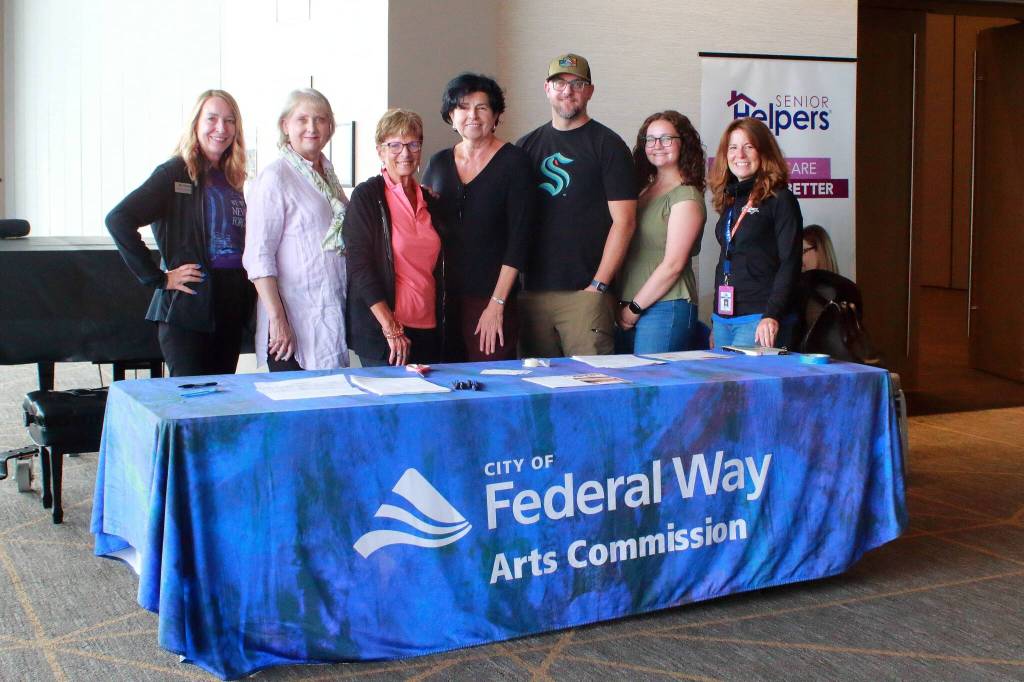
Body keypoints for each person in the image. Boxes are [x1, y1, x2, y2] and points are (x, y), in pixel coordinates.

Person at [106, 89, 253, 377]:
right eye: (212, 119)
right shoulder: (174, 172)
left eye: (229, 120)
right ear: (196, 124)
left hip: (229, 308)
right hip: (188, 309)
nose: (221, 128)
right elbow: (119, 219)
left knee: (220, 404)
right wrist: (159, 278)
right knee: (192, 405)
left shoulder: (233, 177)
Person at [516, 53, 637, 357]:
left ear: (590, 91)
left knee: (592, 391)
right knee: (539, 394)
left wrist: (598, 286)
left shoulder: (608, 145)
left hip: (585, 295)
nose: (567, 91)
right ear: (547, 88)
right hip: (531, 295)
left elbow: (625, 222)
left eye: (577, 83)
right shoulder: (525, 146)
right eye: (559, 83)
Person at [422, 73, 534, 362]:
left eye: (482, 107)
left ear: (496, 115)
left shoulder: (515, 162)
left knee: (492, 381)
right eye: (463, 107)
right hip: (443, 299)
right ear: (451, 115)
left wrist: (496, 304)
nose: (472, 115)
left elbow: (519, 240)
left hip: (491, 296)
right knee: (445, 383)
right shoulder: (438, 163)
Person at [243, 89, 350, 371]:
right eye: (302, 119)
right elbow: (258, 256)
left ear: (330, 127)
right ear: (285, 125)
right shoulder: (274, 178)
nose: (312, 128)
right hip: (289, 324)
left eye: (320, 119)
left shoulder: (328, 177)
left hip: (327, 314)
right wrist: (278, 319)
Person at [345, 109, 444, 366]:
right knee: (389, 406)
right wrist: (390, 327)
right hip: (385, 334)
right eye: (395, 145)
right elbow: (359, 267)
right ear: (380, 151)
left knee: (428, 404)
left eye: (413, 144)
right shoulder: (367, 196)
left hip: (429, 327)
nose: (405, 152)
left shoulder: (431, 201)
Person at [615, 111, 706, 354]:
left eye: (666, 139)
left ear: (683, 143)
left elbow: (673, 264)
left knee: (650, 385)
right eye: (650, 139)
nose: (657, 146)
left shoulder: (686, 195)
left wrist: (634, 309)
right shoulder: (643, 190)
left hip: (665, 306)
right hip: (629, 304)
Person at [708, 117, 802, 349]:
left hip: (759, 318)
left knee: (741, 386)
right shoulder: (731, 199)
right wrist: (715, 318)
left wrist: (772, 315)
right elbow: (726, 261)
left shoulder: (781, 199)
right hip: (724, 319)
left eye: (748, 146)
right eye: (733, 147)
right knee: (722, 385)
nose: (739, 154)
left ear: (764, 152)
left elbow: (790, 261)